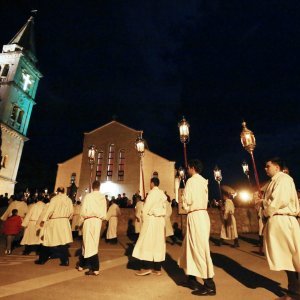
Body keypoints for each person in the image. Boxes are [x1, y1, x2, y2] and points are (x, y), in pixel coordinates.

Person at [255, 157, 300, 300]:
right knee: (288, 258)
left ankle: (294, 293)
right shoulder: (275, 181)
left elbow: (280, 200)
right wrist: (262, 202)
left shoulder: (284, 179)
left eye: (268, 166)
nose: (265, 168)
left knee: (290, 258)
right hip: (279, 220)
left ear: (277, 167)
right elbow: (273, 200)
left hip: (283, 220)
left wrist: (266, 210)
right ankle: (294, 291)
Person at [178, 159, 216, 296]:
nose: (187, 170)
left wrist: (185, 205)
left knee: (199, 249)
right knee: (189, 247)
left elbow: (187, 200)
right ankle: (191, 279)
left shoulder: (191, 181)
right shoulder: (203, 181)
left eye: (188, 168)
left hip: (195, 216)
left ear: (192, 168)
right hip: (202, 215)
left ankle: (209, 285)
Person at [132, 177, 167, 276]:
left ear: (152, 183)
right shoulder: (162, 194)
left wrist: (143, 218)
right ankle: (157, 268)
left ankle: (147, 267)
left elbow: (146, 208)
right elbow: (166, 209)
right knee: (158, 243)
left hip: (151, 220)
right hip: (160, 221)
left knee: (147, 242)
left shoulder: (152, 193)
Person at [35, 187, 73, 266]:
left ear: (57, 192)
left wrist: (43, 220)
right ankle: (65, 261)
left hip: (55, 221)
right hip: (65, 222)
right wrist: (67, 219)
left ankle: (42, 259)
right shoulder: (68, 200)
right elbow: (71, 211)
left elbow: (50, 210)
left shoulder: (54, 199)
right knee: (63, 242)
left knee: (47, 240)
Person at [77, 180, 107, 276]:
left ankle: (95, 268)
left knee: (88, 243)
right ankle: (82, 264)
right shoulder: (103, 197)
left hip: (89, 220)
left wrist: (80, 222)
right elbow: (104, 211)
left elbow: (83, 210)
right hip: (97, 221)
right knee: (90, 243)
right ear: (99, 187)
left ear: (92, 187)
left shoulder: (88, 196)